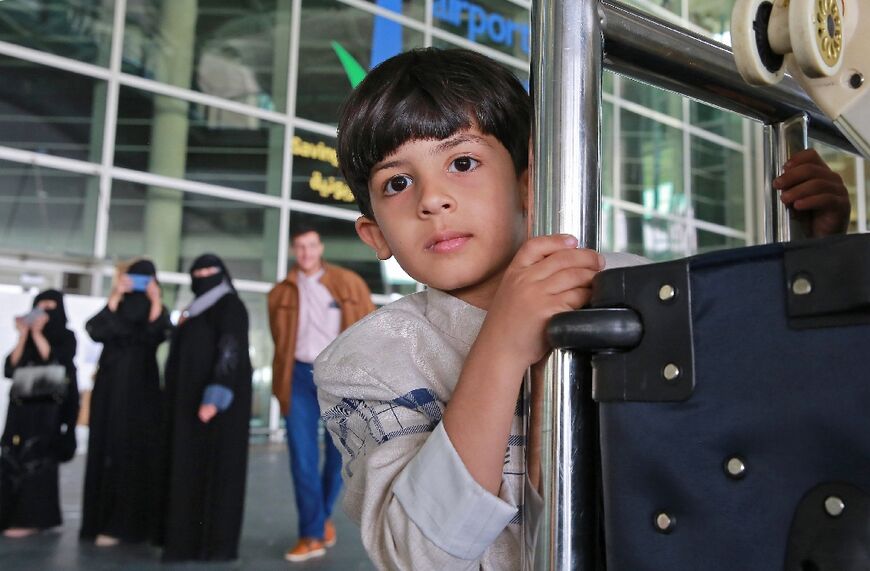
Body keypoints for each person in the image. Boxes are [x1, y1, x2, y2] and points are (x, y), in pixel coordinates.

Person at [314, 47, 851, 570]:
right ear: (374, 233)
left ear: (530, 182)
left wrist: (817, 258)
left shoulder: (631, 284)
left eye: (462, 161)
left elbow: (762, 408)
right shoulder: (368, 363)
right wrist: (501, 347)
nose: (431, 199)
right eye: (397, 183)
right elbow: (419, 553)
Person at [268, 226, 375, 562]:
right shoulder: (280, 293)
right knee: (302, 459)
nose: (306, 253)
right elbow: (280, 340)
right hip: (297, 378)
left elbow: (369, 328)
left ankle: (322, 517)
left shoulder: (348, 284)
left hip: (337, 379)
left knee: (338, 458)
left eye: (311, 246)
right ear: (293, 250)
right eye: (299, 247)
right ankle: (312, 534)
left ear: (320, 247)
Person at [159, 254, 252, 562]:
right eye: (197, 271)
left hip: (213, 407)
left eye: (209, 270)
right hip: (187, 405)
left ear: (222, 274)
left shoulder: (229, 306)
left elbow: (230, 350)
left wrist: (215, 397)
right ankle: (186, 542)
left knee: (215, 472)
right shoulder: (194, 310)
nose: (202, 275)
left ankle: (213, 547)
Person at [79, 259, 171, 547]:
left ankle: (134, 525)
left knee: (137, 448)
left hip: (142, 388)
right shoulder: (116, 305)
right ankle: (104, 522)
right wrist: (116, 295)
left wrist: (155, 300)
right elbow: (95, 328)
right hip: (110, 386)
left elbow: (159, 334)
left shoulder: (156, 309)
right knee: (109, 445)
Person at [1, 289, 79, 538]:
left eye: (50, 305)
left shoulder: (66, 337)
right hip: (22, 406)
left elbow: (55, 362)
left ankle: (34, 518)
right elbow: (11, 367)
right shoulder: (28, 340)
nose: (45, 310)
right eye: (40, 305)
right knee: (12, 457)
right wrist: (24, 334)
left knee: (39, 460)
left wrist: (38, 333)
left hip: (48, 410)